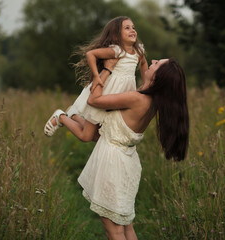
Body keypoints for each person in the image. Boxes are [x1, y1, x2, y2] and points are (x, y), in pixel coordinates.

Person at [48, 57, 189, 239]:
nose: (152, 61)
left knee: (114, 230)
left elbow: (93, 100)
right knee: (125, 226)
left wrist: (107, 70)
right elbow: (110, 130)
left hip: (113, 163)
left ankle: (62, 117)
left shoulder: (136, 98)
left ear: (158, 78)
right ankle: (67, 116)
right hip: (127, 161)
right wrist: (140, 61)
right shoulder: (152, 101)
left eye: (157, 64)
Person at [44, 16, 148, 140]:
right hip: (105, 92)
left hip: (121, 96)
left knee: (101, 136)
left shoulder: (138, 52)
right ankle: (61, 117)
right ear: (116, 36)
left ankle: (73, 115)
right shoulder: (117, 51)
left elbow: (143, 64)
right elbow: (91, 54)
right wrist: (96, 77)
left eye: (133, 28)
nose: (132, 30)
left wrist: (146, 83)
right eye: (127, 28)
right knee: (86, 137)